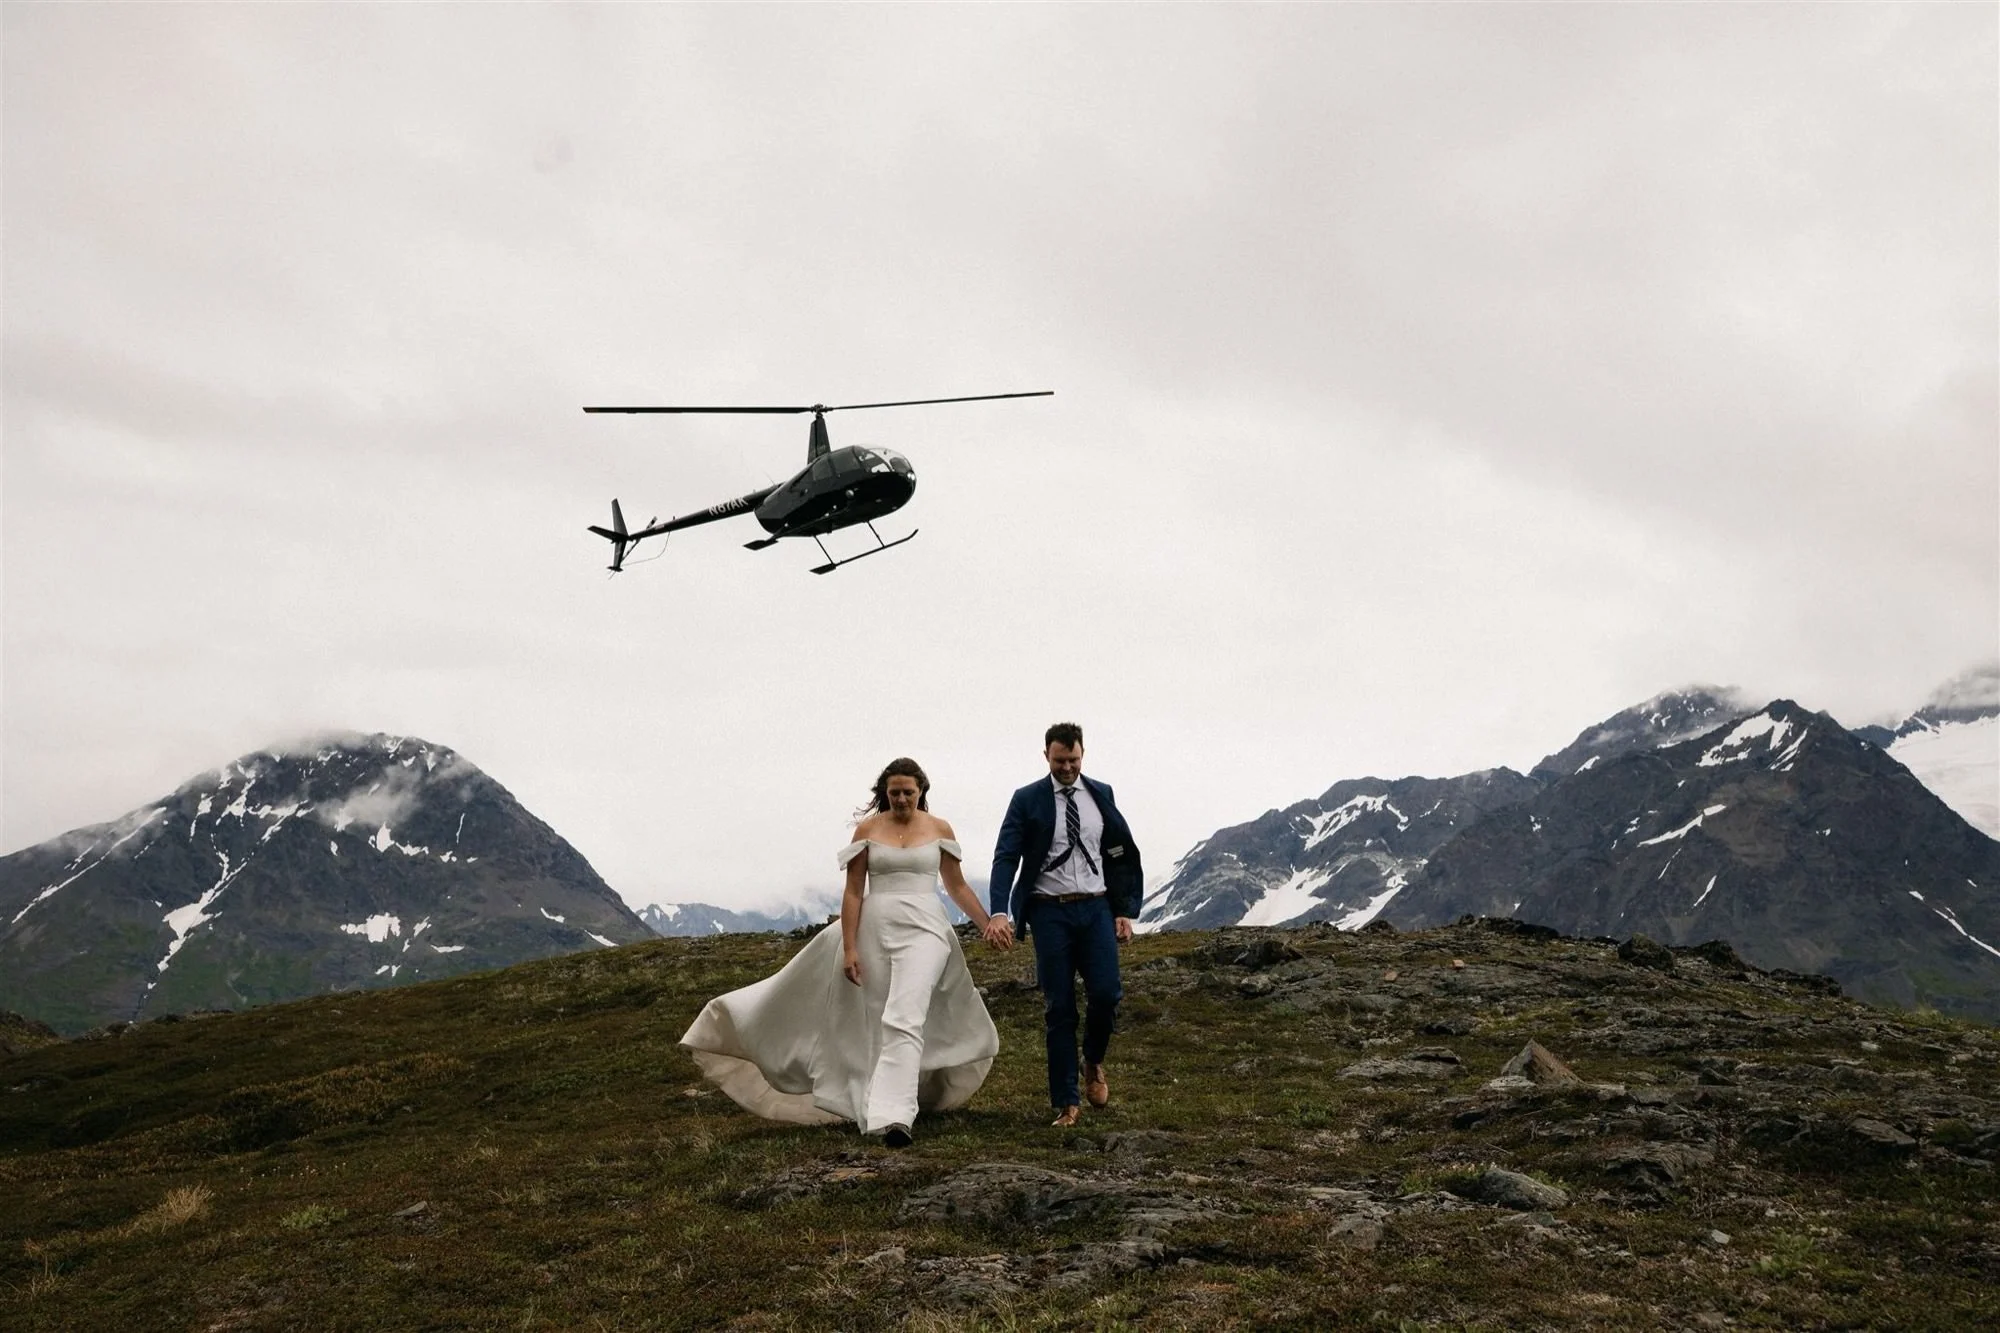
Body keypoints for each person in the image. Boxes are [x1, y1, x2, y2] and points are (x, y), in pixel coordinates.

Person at [679, 758, 1002, 1148]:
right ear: (884, 793)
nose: (901, 799)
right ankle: (879, 1104)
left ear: (921, 792)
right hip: (875, 928)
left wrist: (988, 922)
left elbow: (957, 886)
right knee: (878, 1018)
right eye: (894, 792)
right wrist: (849, 947)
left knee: (906, 1014)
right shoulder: (867, 830)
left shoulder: (939, 830)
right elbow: (852, 891)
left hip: (927, 929)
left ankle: (895, 1116)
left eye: (908, 792)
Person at [984, 722, 1143, 1127]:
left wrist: (1122, 909)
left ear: (1083, 754)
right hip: (1048, 911)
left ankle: (1093, 1061)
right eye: (1059, 761)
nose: (1067, 768)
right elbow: (1006, 856)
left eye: (1073, 760)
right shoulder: (1026, 800)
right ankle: (1066, 1103)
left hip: (1096, 908)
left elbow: (1118, 853)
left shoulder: (1101, 794)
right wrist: (999, 910)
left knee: (1107, 993)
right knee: (1060, 1007)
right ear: (1046, 757)